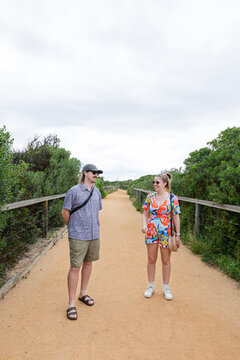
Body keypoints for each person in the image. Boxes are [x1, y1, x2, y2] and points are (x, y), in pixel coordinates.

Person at [62, 163, 103, 320]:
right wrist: (72, 227)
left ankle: (83, 293)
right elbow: (65, 212)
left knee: (88, 263)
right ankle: (71, 303)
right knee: (75, 268)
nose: (96, 175)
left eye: (97, 173)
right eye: (94, 172)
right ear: (85, 173)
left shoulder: (97, 192)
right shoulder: (74, 191)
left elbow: (96, 211)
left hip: (94, 234)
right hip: (78, 235)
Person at [142, 173, 181, 301]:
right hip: (152, 230)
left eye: (157, 182)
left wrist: (178, 235)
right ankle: (150, 286)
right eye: (154, 182)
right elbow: (145, 214)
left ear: (165, 183)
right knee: (151, 259)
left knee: (166, 260)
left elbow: (176, 216)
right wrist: (144, 225)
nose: (155, 184)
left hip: (166, 232)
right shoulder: (150, 197)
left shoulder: (172, 198)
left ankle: (166, 288)